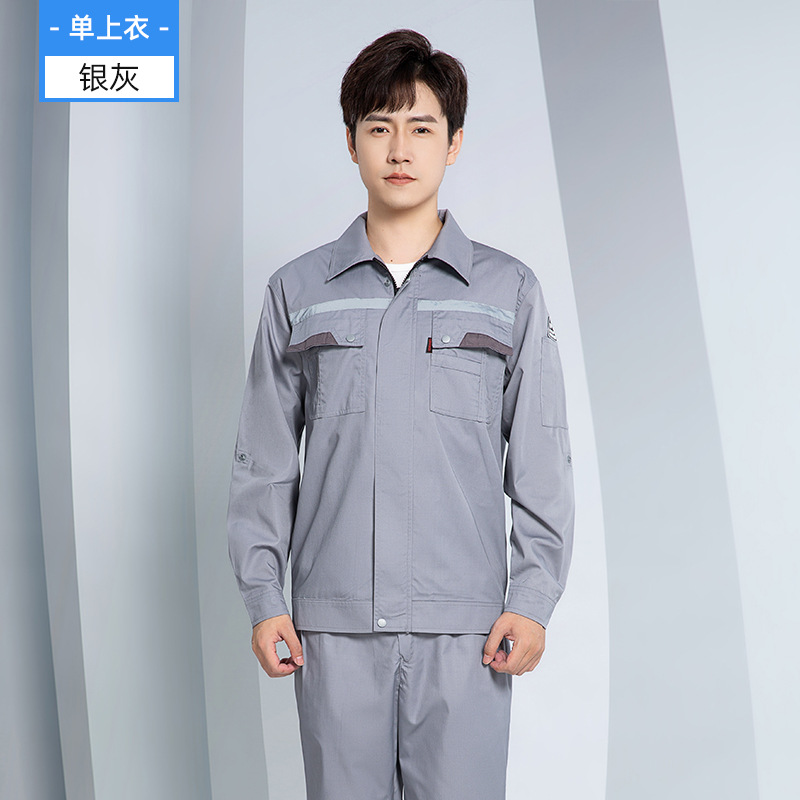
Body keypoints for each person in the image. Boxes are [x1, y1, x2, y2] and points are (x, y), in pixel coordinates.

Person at [227, 28, 575, 800]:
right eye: (379, 127)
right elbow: (264, 460)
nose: (399, 149)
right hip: (334, 630)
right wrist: (264, 598)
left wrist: (532, 600)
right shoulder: (298, 291)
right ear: (351, 142)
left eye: (421, 128)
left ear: (454, 144)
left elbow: (542, 460)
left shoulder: (509, 291)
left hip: (466, 632)